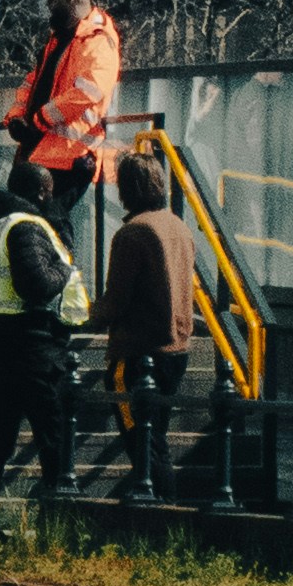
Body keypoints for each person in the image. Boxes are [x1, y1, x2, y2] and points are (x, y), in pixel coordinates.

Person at [0, 182, 88, 542]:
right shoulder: (24, 227)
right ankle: (58, 528)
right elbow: (36, 284)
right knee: (53, 436)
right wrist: (65, 266)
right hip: (30, 349)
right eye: (48, 192)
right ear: (39, 193)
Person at [98, 147, 195, 501]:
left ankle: (160, 514)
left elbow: (116, 302)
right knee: (156, 438)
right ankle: (159, 508)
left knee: (143, 444)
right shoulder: (179, 228)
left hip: (137, 354)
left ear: (125, 190)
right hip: (175, 350)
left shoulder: (132, 234)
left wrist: (81, 314)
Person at [3, 0, 120, 225]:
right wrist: (16, 118)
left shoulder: (98, 41)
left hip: (70, 157)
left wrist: (38, 121)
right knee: (33, 225)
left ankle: (58, 266)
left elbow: (87, 92)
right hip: (41, 151)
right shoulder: (60, 40)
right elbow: (33, 81)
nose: (47, 6)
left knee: (48, 227)